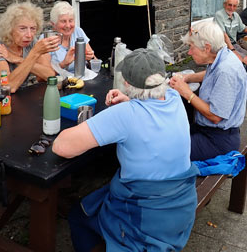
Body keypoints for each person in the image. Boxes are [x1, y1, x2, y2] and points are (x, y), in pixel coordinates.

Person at [53, 48, 197, 252]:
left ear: (127, 83)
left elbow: (62, 147)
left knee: (78, 214)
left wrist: (126, 107)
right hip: (180, 206)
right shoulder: (174, 97)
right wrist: (130, 101)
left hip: (147, 219)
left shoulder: (125, 115)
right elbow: (149, 111)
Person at [170, 20, 247, 161]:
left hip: (218, 140)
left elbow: (215, 116)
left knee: (168, 151)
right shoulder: (222, 55)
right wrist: (187, 78)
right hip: (208, 130)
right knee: (169, 136)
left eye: (192, 47)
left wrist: (187, 92)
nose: (189, 52)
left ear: (206, 47)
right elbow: (210, 74)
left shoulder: (226, 71)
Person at [0, 1, 58, 92]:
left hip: (22, 98)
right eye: (22, 28)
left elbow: (50, 76)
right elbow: (9, 87)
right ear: (9, 29)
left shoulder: (31, 42)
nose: (29, 35)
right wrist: (34, 54)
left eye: (33, 28)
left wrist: (18, 59)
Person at [213, 0, 247, 67]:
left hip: (234, 44)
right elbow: (223, 34)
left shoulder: (236, 15)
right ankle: (243, 77)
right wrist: (232, 49)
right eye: (230, 5)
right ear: (224, 4)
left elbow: (243, 28)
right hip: (223, 46)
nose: (232, 8)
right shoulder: (219, 15)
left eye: (234, 6)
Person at [48, 1, 96, 72]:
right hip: (59, 81)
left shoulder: (78, 31)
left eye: (70, 21)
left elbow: (95, 62)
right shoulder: (46, 39)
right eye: (63, 21)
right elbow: (41, 77)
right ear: (53, 24)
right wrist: (63, 64)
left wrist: (90, 59)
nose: (68, 25)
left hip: (80, 80)